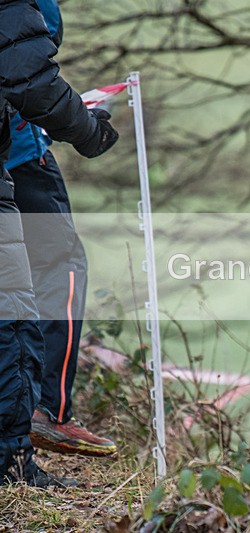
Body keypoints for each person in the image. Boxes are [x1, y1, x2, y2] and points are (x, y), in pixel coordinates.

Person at [0, 0, 118, 487]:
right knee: (51, 274)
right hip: (24, 154)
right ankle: (48, 410)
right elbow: (27, 76)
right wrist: (87, 129)